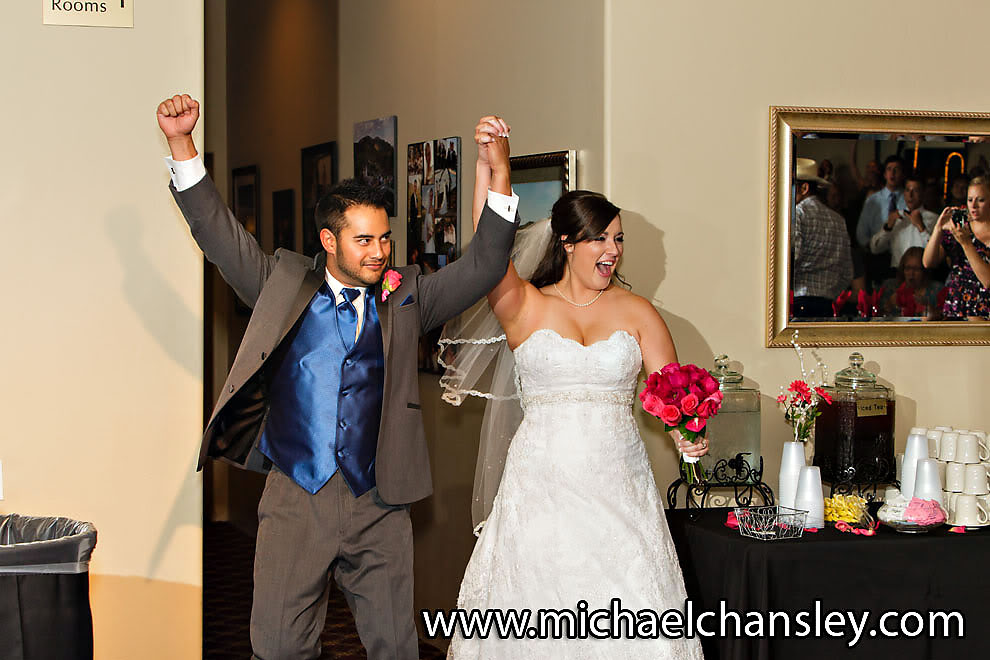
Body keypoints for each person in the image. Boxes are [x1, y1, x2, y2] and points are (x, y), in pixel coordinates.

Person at [157, 95, 519, 660]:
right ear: (330, 241)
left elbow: (483, 266)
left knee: (395, 647)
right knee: (277, 647)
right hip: (297, 495)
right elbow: (220, 236)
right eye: (364, 240)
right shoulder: (280, 285)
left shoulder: (407, 298)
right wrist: (182, 145)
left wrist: (499, 170)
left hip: (380, 499)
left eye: (384, 239)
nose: (380, 253)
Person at [440, 129, 706, 658]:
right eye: (600, 240)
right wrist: (494, 167)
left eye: (619, 239)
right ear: (566, 243)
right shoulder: (525, 306)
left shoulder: (638, 314)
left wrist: (688, 434)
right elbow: (488, 247)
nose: (613, 251)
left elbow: (672, 392)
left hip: (619, 489)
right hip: (541, 490)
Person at [790, 158, 854, 319]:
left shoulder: (798, 214)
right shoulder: (838, 220)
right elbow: (847, 272)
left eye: (791, 187)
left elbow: (793, 259)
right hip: (828, 304)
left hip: (799, 300)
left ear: (804, 188)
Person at [923, 176, 990, 320]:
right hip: (956, 307)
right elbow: (928, 262)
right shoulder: (958, 228)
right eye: (970, 199)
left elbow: (988, 281)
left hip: (985, 311)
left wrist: (966, 244)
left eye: (981, 200)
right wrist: (938, 228)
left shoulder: (962, 236)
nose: (974, 205)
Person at [868, 175, 937, 269]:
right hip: (896, 273)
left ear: (923, 193)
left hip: (922, 273)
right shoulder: (895, 218)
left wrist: (921, 228)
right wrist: (888, 227)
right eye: (908, 190)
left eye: (915, 190)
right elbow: (875, 248)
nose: (910, 195)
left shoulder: (933, 219)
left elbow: (936, 254)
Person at [856, 155, 905, 248]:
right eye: (889, 169)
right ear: (885, 174)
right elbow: (862, 229)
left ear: (902, 174)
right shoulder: (873, 199)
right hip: (876, 250)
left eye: (896, 169)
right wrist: (869, 246)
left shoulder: (908, 199)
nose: (892, 173)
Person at [879, 247, 942, 318]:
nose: (911, 273)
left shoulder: (936, 289)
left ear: (924, 271)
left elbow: (943, 318)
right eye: (908, 268)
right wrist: (889, 304)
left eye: (916, 269)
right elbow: (876, 315)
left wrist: (928, 308)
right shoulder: (890, 286)